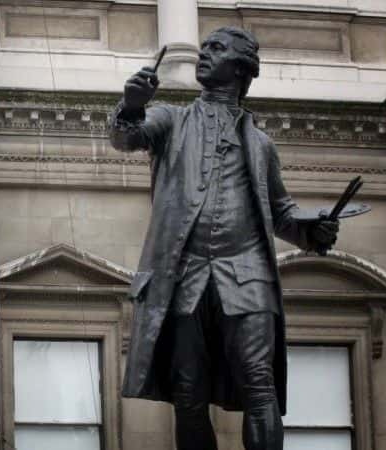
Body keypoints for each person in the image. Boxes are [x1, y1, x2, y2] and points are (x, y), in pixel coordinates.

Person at [108, 27, 339, 450]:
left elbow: (281, 212)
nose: (204, 55)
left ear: (241, 66)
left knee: (259, 382)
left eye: (216, 49)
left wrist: (314, 232)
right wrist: (131, 105)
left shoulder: (261, 144)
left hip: (247, 274)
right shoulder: (170, 119)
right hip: (186, 274)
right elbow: (126, 137)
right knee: (187, 392)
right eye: (204, 48)